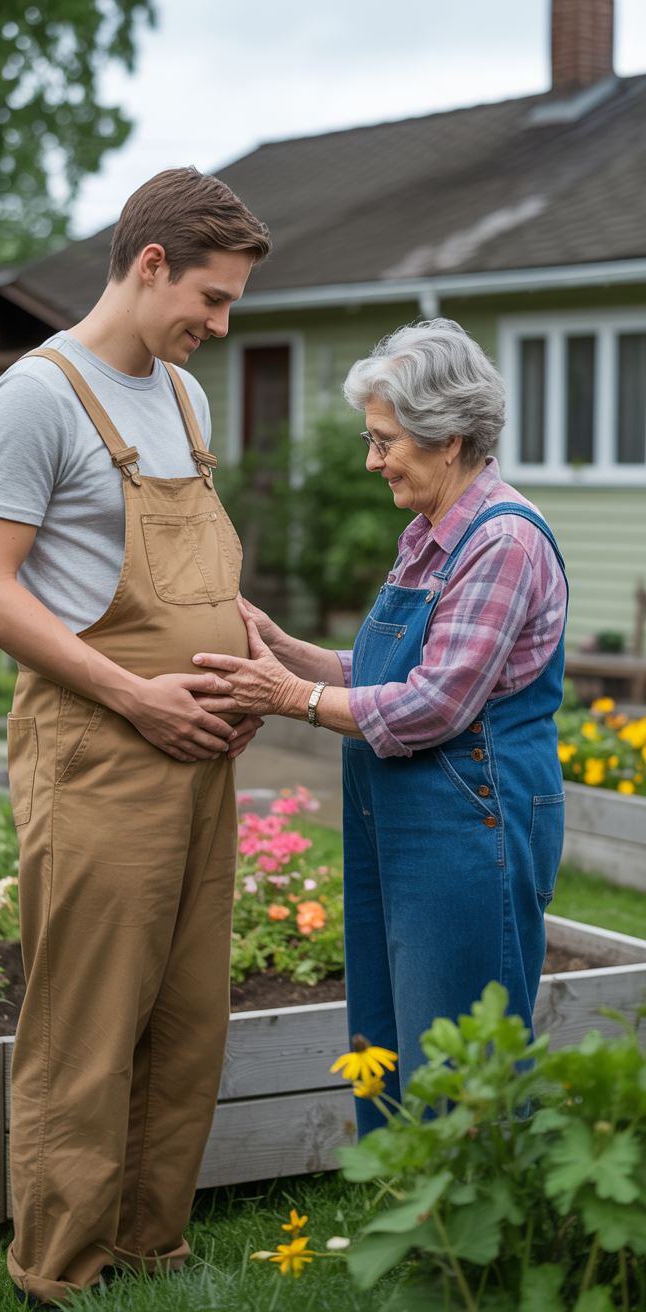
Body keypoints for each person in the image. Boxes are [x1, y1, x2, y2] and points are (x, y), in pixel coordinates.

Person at [0, 167, 271, 1308]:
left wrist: (244, 637)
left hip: (203, 750)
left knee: (187, 1013)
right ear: (149, 264)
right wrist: (138, 698)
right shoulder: (35, 398)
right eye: (211, 298)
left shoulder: (182, 398)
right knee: (86, 1021)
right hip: (98, 748)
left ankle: (147, 1245)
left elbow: (180, 571)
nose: (219, 326)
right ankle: (57, 1267)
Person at [192, 319, 568, 1137]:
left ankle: (475, 1217)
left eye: (384, 441)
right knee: (392, 1035)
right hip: (404, 818)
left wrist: (290, 696)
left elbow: (434, 703)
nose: (373, 461)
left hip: (473, 820)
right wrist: (288, 651)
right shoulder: (429, 535)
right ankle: (406, 1209)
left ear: (449, 438)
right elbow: (390, 670)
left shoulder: (501, 541)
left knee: (463, 1055)